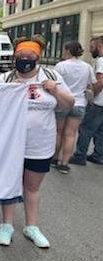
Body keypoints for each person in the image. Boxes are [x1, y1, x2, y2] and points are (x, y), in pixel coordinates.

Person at [0, 38, 74, 248]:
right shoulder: (5, 79)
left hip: (40, 144)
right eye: (20, 56)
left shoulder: (51, 76)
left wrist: (55, 90)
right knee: (10, 185)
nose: (25, 60)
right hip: (11, 143)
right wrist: (7, 92)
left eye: (30, 57)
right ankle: (7, 224)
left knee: (32, 186)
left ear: (38, 58)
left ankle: (31, 226)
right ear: (15, 57)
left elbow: (69, 104)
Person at [53, 41, 96, 173]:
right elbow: (91, 85)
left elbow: (54, 83)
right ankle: (65, 164)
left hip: (63, 102)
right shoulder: (87, 67)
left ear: (68, 50)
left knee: (58, 132)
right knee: (70, 134)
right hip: (79, 103)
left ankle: (54, 158)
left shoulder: (61, 66)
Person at [70, 36, 103, 166]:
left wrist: (91, 97)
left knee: (86, 129)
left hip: (99, 102)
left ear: (99, 47)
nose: (90, 51)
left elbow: (100, 82)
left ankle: (80, 155)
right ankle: (98, 155)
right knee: (101, 130)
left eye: (92, 47)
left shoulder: (101, 60)